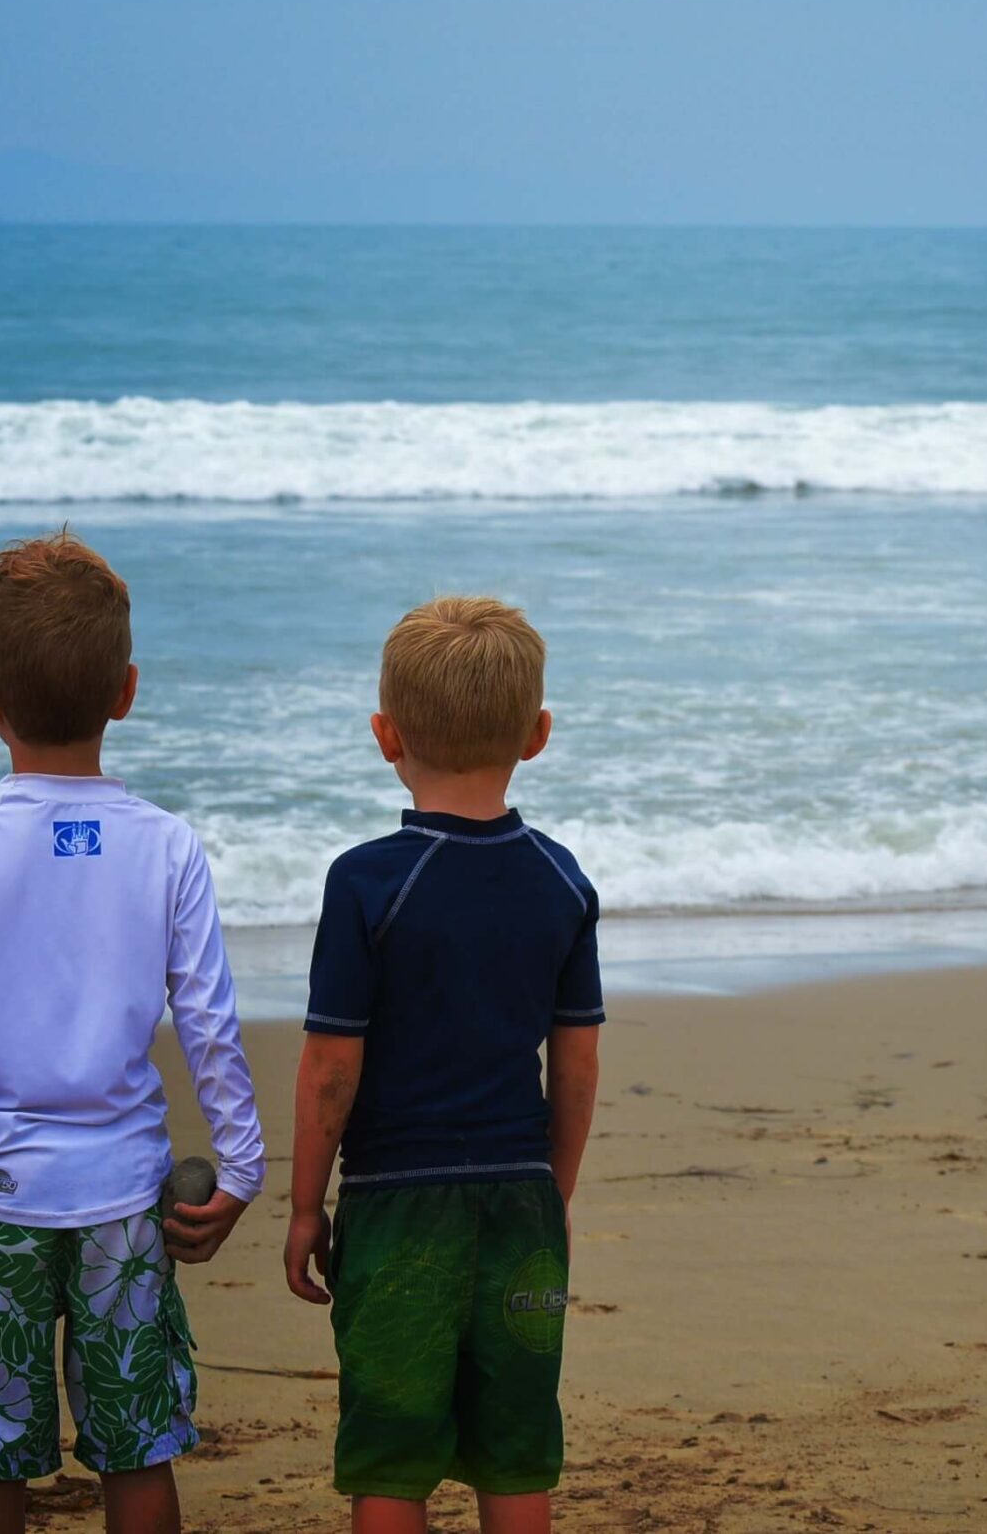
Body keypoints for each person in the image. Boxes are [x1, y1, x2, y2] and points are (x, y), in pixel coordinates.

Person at [0, 531, 266, 1534]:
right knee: (137, 1452)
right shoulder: (166, 843)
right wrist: (239, 1166)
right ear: (127, 692)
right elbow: (209, 1023)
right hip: (125, 1201)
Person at [283, 596, 604, 1534]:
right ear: (537, 735)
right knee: (515, 1456)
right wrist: (556, 1191)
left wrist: (308, 1205)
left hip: (398, 1205)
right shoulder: (561, 879)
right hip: (520, 1200)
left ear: (385, 736)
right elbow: (576, 1064)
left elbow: (330, 1070)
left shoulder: (368, 882)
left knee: (392, 1457)